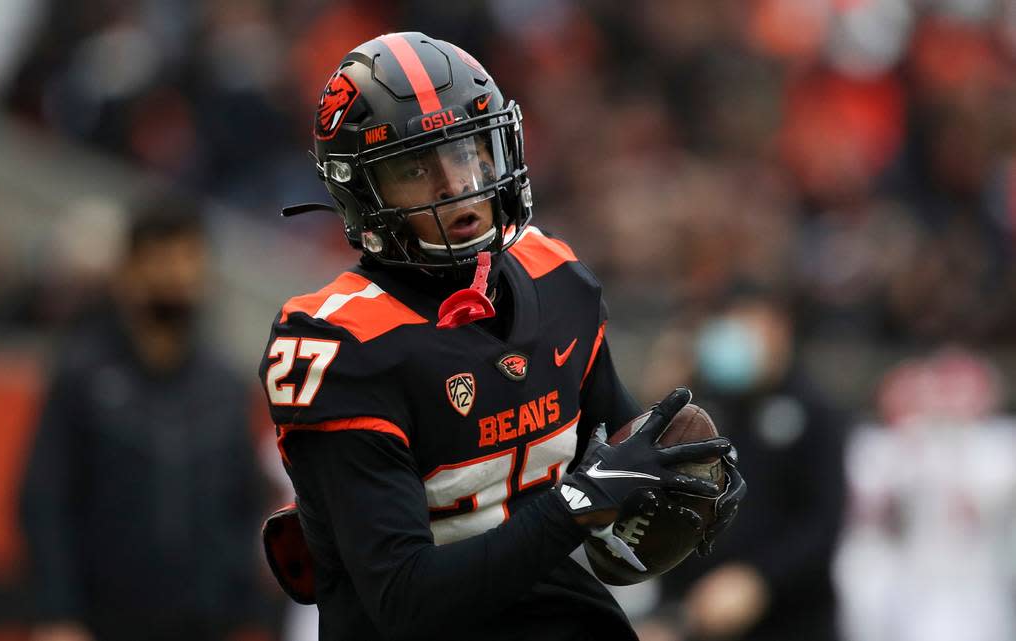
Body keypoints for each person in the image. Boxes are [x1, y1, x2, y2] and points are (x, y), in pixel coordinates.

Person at [259, 33, 745, 641]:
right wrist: (580, 503)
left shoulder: (557, 279)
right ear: (361, 190)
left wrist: (664, 477)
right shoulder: (341, 345)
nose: (453, 184)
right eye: (415, 167)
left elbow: (618, 451)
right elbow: (405, 601)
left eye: (465, 150)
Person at [19, 195, 271, 641]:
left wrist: (248, 614)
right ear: (129, 272)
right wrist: (56, 614)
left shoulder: (226, 386)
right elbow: (46, 501)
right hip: (104, 622)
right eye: (162, 259)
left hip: (206, 624)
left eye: (189, 259)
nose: (177, 275)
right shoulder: (82, 376)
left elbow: (243, 507)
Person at [637, 292, 846, 641]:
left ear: (780, 330)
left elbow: (822, 523)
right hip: (692, 616)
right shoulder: (702, 407)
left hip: (790, 617)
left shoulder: (814, 413)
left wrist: (759, 578)